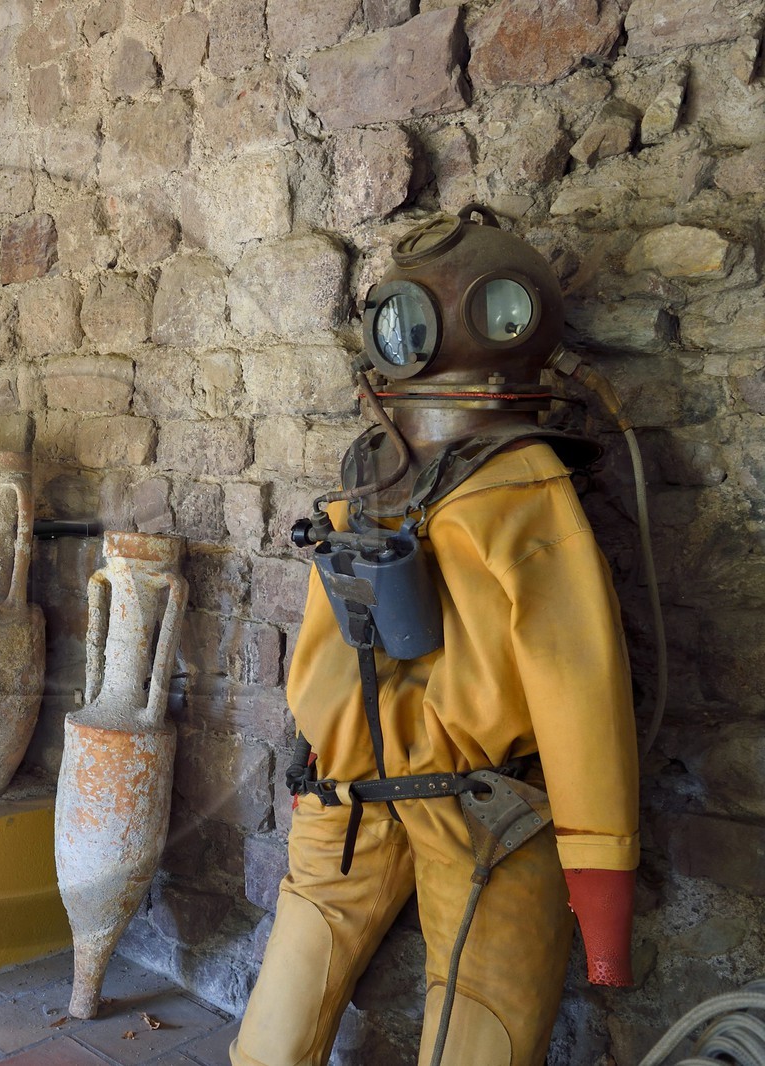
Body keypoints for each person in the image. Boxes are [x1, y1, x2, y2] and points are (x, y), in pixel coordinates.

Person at [230, 208, 640, 1066]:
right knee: (478, 1036)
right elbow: (581, 689)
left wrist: (316, 771)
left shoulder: (368, 475)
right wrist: (603, 908)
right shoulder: (524, 484)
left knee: (275, 1037)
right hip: (483, 812)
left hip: (343, 798)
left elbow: (322, 654)